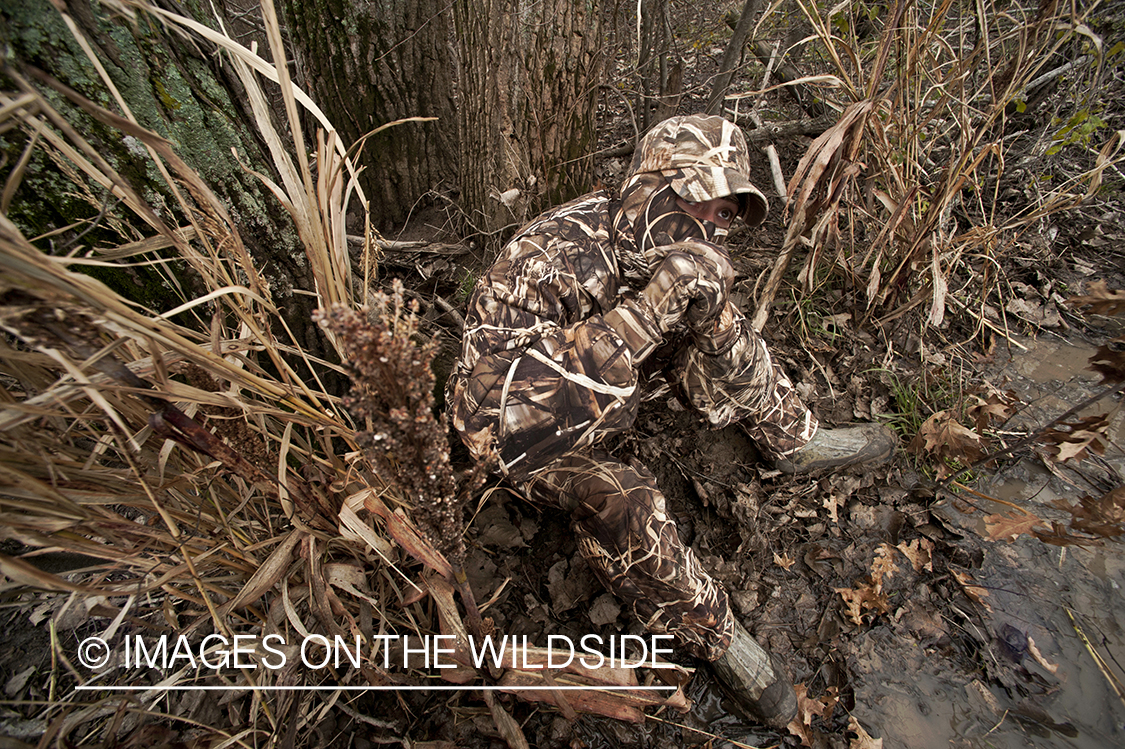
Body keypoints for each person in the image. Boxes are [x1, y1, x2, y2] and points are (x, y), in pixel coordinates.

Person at [446, 114, 895, 727]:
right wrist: (645, 315)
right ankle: (712, 633)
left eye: (728, 214)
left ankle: (794, 440)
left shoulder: (671, 256)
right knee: (624, 500)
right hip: (529, 440)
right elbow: (487, 417)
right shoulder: (551, 257)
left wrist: (705, 315)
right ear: (646, 186)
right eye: (702, 200)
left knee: (714, 333)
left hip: (618, 396)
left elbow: (728, 348)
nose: (716, 226)